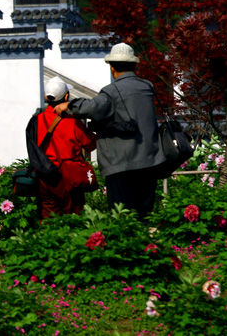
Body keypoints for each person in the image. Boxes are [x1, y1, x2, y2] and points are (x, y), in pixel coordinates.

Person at [54, 42, 165, 220]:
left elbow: (93, 106)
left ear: (112, 68)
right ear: (134, 65)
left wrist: (69, 105)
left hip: (121, 164)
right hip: (148, 162)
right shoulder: (147, 87)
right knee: (144, 216)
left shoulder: (111, 91)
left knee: (121, 218)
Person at [35, 77, 96, 221]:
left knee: (47, 220)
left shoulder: (37, 120)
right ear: (67, 96)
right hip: (69, 176)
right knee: (73, 218)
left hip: (44, 176)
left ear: (46, 97)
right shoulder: (72, 121)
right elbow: (90, 144)